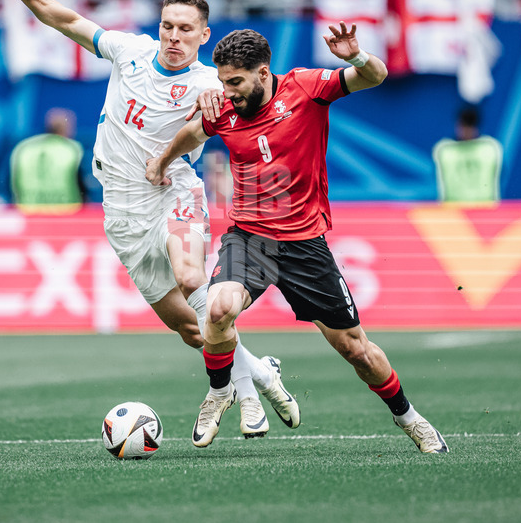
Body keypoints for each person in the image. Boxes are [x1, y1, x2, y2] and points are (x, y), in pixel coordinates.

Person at [0, 0, 299, 439]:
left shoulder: (209, 85)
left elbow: (255, 101)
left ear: (203, 36)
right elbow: (71, 22)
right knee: (194, 331)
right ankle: (262, 374)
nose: (173, 36)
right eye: (167, 26)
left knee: (191, 276)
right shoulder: (130, 52)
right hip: (122, 209)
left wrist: (214, 105)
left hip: (174, 192)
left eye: (185, 30)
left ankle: (244, 399)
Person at [146, 24, 448, 453]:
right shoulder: (223, 109)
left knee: (356, 350)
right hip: (251, 238)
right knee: (217, 309)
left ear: (263, 72)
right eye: (222, 82)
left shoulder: (306, 88)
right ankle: (219, 392)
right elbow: (194, 134)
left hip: (305, 244)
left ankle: (410, 419)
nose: (227, 91)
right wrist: (161, 160)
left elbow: (374, 77)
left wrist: (356, 57)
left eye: (235, 82)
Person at [10, 108, 88, 211]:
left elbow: (12, 184)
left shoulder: (24, 148)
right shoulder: (72, 150)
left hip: (29, 214)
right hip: (65, 214)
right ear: (67, 129)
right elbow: (82, 187)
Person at [432, 107, 504, 203]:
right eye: (464, 125)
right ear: (457, 125)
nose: (467, 130)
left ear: (477, 127)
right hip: (454, 212)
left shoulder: (491, 148)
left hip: (485, 211)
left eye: (470, 126)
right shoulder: (444, 150)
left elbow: (499, 178)